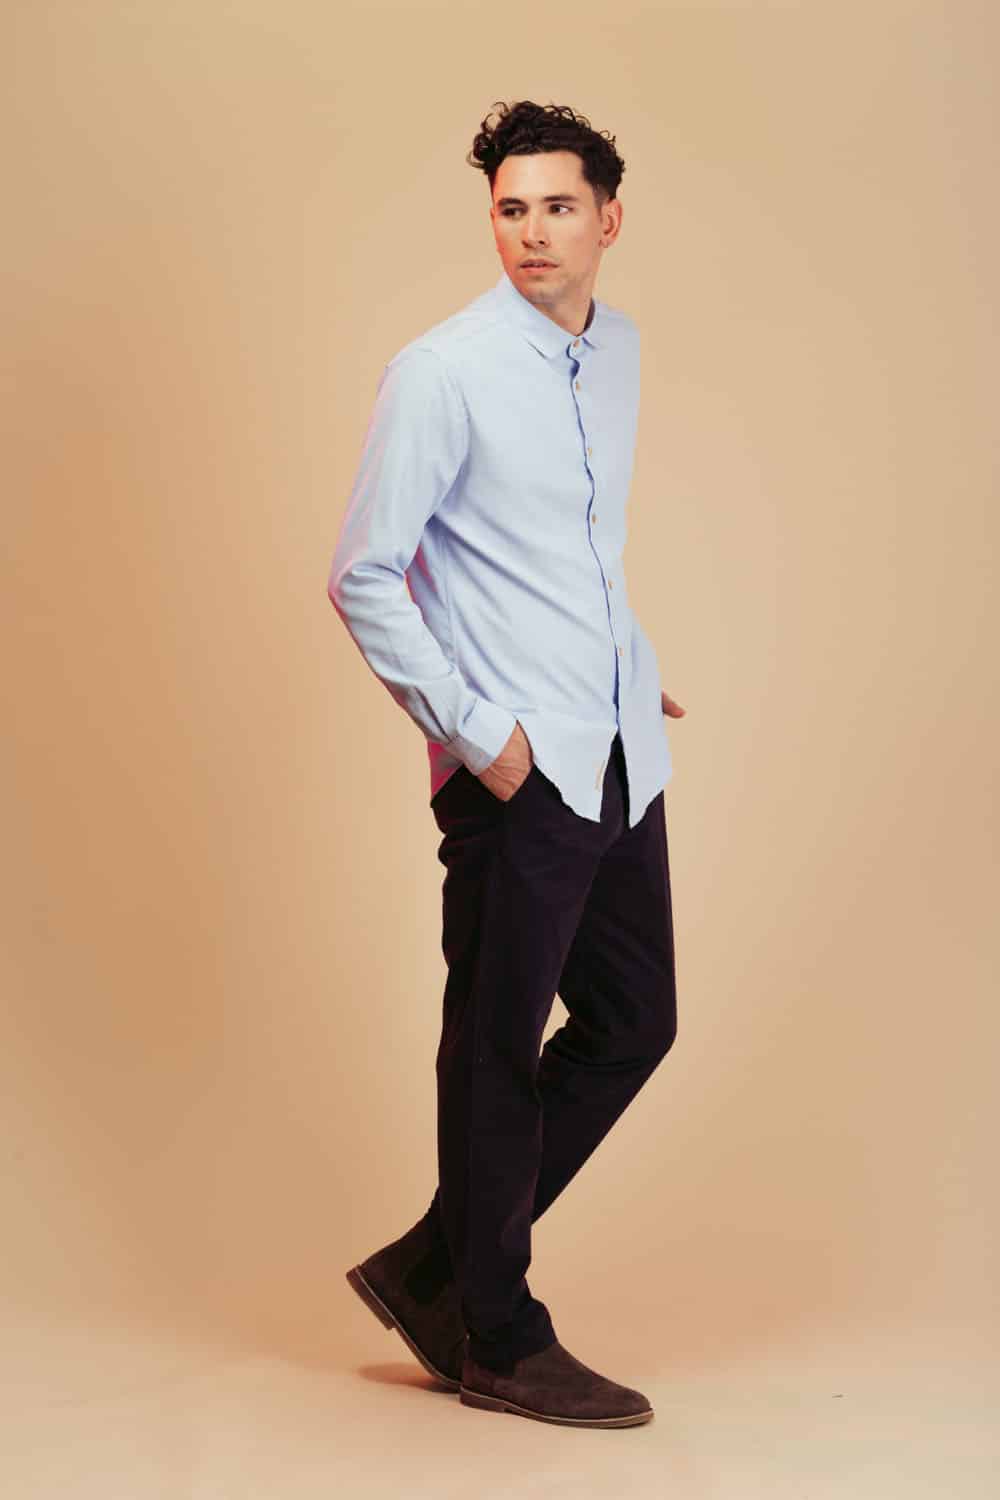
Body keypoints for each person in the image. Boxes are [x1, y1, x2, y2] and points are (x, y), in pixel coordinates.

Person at [331, 99, 685, 1429]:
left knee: (634, 1020)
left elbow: (575, 548)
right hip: (518, 773)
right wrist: (482, 738)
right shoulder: (443, 370)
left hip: (616, 743)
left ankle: (437, 1267)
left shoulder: (619, 352)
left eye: (556, 207)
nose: (531, 231)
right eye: (509, 208)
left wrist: (626, 668)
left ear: (609, 218)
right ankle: (494, 1328)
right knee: (496, 1047)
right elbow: (366, 576)